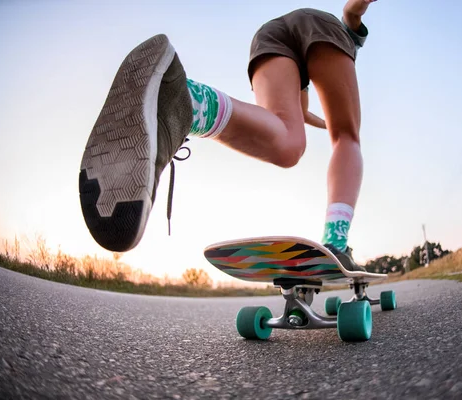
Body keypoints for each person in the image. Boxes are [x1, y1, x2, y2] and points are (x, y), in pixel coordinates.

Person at [79, 0, 377, 271]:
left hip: (270, 37)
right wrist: (341, 125)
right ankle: (337, 242)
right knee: (348, 140)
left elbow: (302, 111)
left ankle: (187, 103)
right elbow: (351, 13)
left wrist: (327, 122)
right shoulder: (344, 37)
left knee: (288, 144)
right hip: (321, 27)